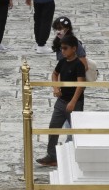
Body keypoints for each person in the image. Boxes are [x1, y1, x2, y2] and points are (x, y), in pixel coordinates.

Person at [36, 34, 87, 167]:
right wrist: (55, 87)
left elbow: (81, 85)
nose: (62, 51)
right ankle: (52, 155)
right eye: (61, 49)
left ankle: (75, 156)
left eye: (65, 48)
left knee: (74, 131)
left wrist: (73, 102)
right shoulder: (62, 62)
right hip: (61, 101)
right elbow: (54, 73)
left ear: (74, 48)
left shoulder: (78, 65)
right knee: (53, 127)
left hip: (74, 103)